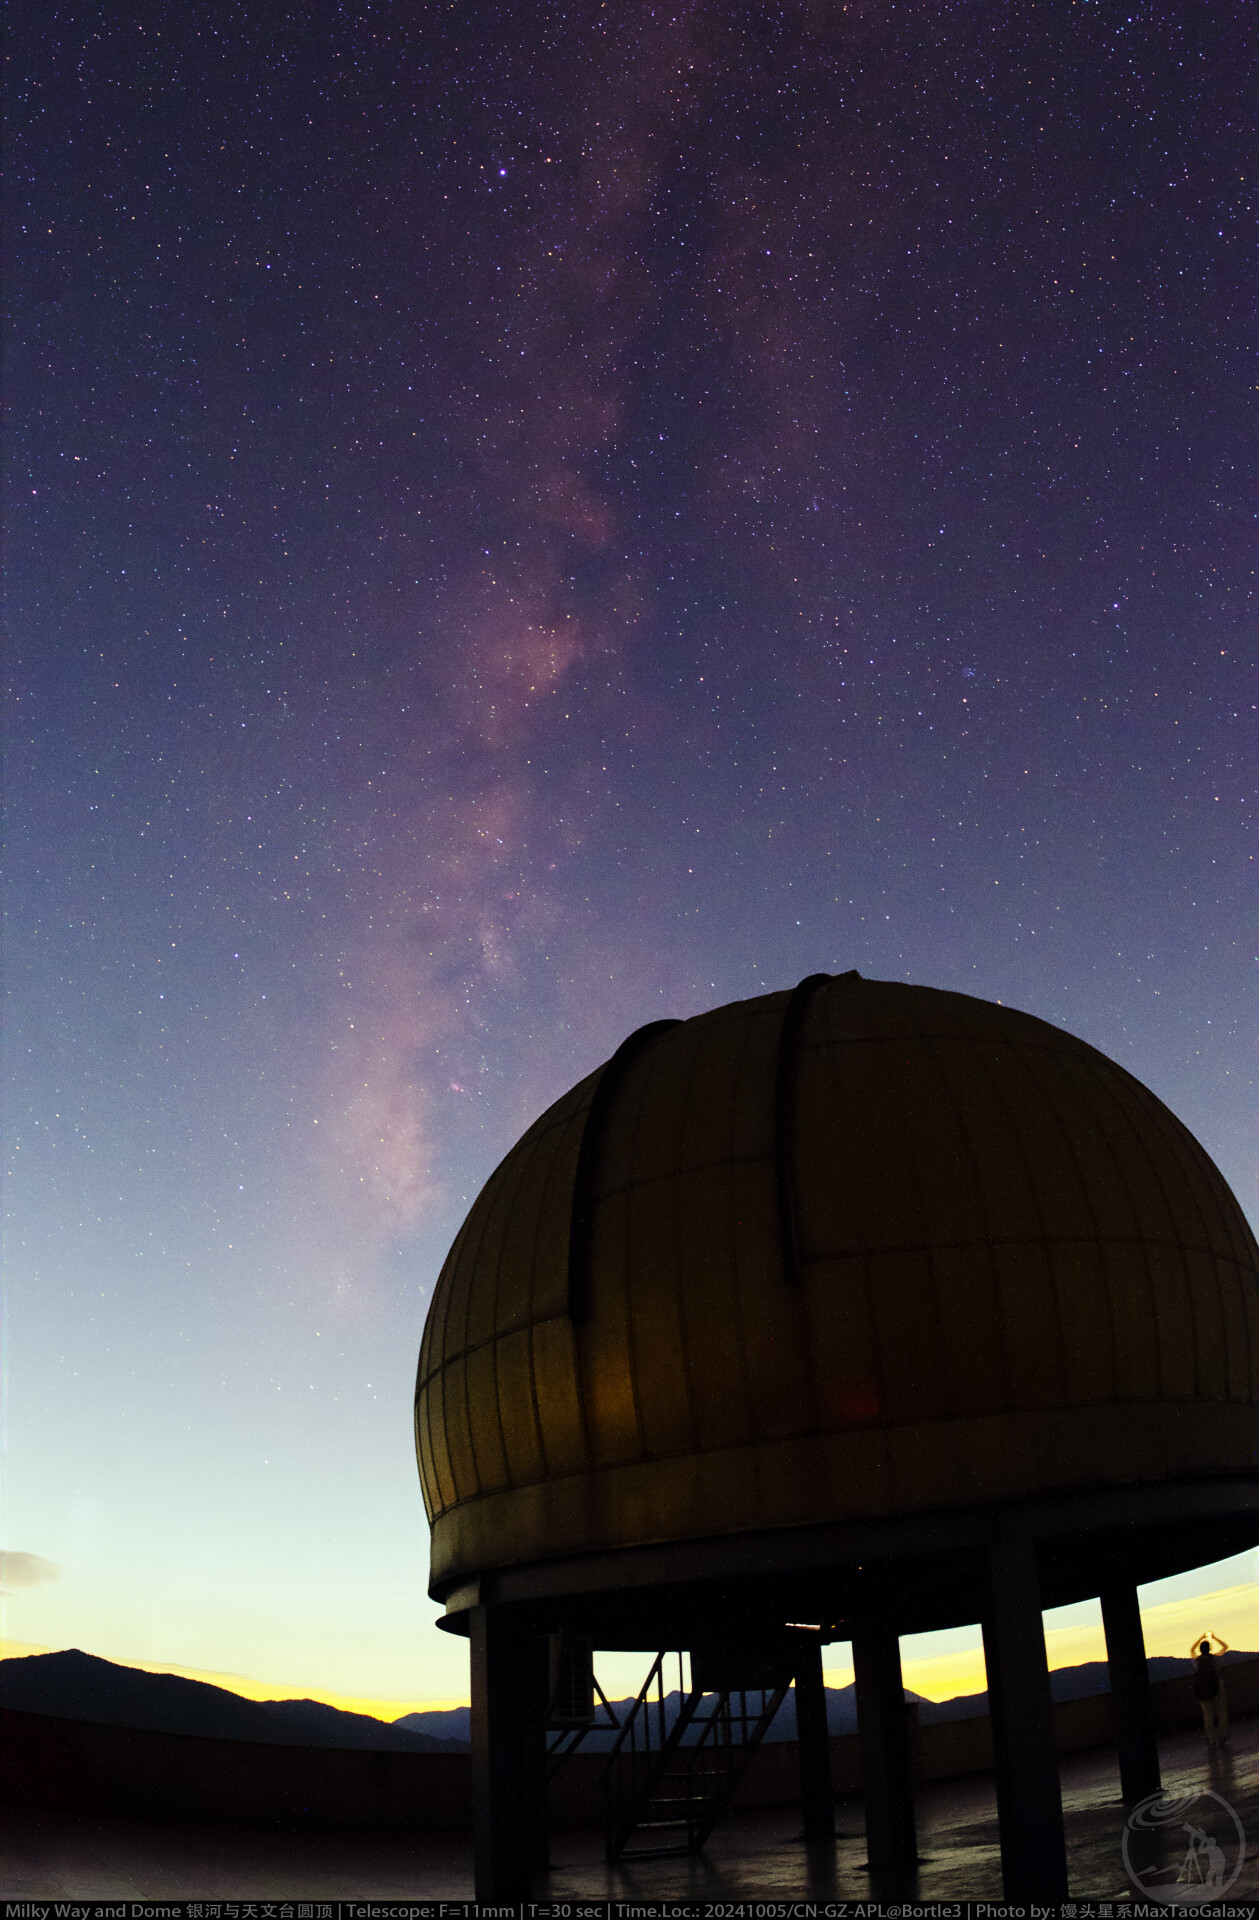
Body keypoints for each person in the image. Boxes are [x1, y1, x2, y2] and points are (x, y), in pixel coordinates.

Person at [1190, 1632, 1230, 1747]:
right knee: (1221, 1713)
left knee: (1208, 1717)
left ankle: (1212, 1739)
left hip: (1204, 1691)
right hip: (1217, 1688)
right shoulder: (1215, 1659)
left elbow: (1192, 1650)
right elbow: (1225, 1646)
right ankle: (1223, 1737)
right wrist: (1214, 1637)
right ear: (1209, 1648)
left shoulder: (1197, 1661)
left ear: (1200, 1649)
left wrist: (1200, 1638)